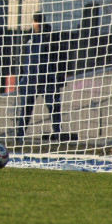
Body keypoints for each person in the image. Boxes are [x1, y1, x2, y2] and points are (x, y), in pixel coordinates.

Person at [16, 12, 70, 141]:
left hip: (48, 79)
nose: (37, 23)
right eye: (36, 21)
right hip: (30, 79)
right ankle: (19, 136)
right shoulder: (28, 36)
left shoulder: (51, 36)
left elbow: (61, 56)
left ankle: (57, 134)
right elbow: (22, 58)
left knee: (54, 108)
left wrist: (60, 76)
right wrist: (21, 77)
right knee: (25, 109)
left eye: (39, 21)